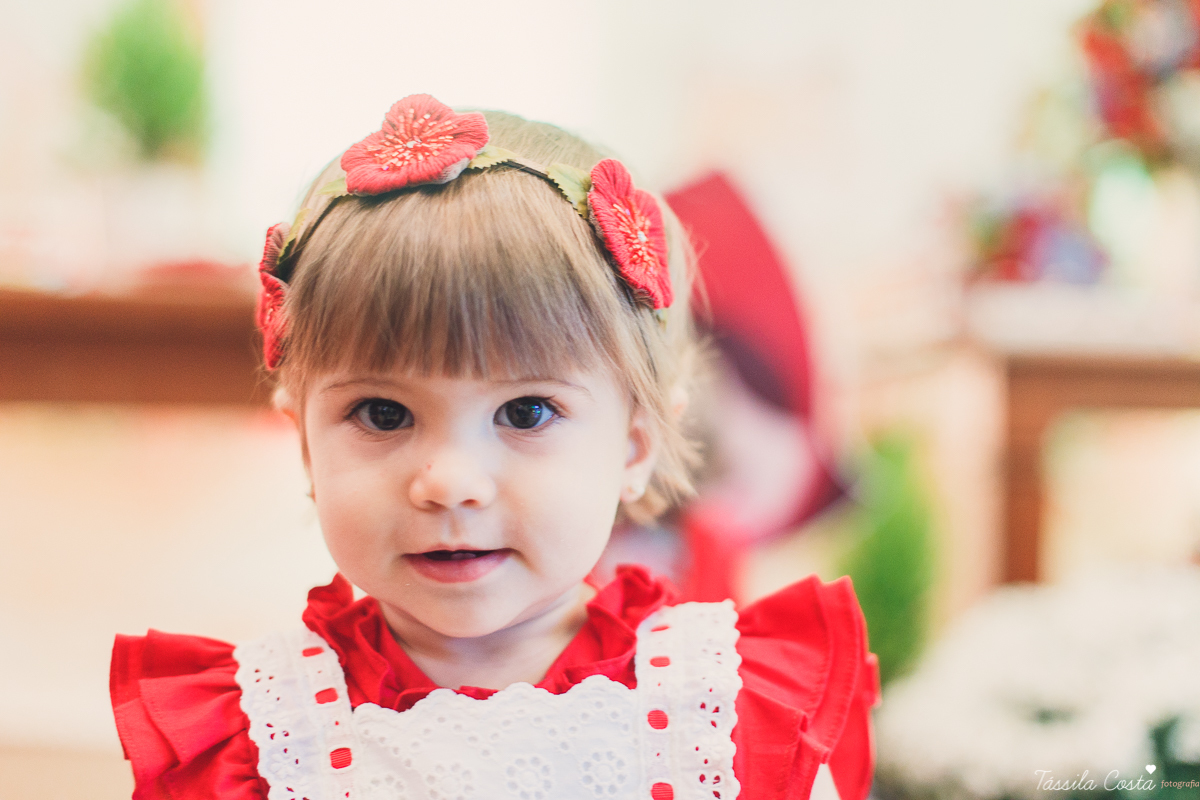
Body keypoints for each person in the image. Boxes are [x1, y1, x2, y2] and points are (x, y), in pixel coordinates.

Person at [109, 94, 880, 800]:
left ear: (634, 446)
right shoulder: (260, 738)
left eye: (526, 412)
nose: (449, 482)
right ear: (307, 447)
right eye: (383, 413)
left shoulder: (717, 720)